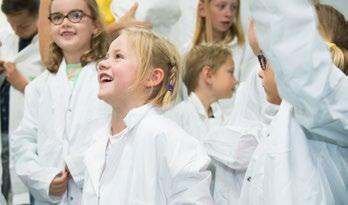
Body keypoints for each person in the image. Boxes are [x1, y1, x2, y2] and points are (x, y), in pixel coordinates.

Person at [81, 27, 213, 205]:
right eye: (106, 57)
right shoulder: (97, 140)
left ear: (153, 77)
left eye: (118, 56)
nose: (102, 64)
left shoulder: (171, 141)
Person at [239, 0, 348, 204]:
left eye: (264, 58)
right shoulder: (286, 117)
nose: (260, 73)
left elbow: (304, 70)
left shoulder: (328, 104)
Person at [11, 0, 111, 204]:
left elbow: (121, 137)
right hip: (52, 197)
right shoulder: (38, 88)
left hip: (100, 194)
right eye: (57, 17)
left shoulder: (112, 79)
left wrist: (78, 167)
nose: (65, 23)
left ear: (96, 26)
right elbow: (23, 143)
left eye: (76, 16)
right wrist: (43, 179)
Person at [0, 0, 43, 203]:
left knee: (26, 188)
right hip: (5, 128)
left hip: (32, 135)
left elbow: (58, 99)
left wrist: (23, 85)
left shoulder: (49, 48)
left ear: (39, 16)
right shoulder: (9, 41)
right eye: (12, 25)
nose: (17, 31)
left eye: (23, 25)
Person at [165, 43, 237, 141]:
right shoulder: (178, 117)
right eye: (231, 72)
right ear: (208, 75)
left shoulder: (222, 117)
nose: (236, 80)